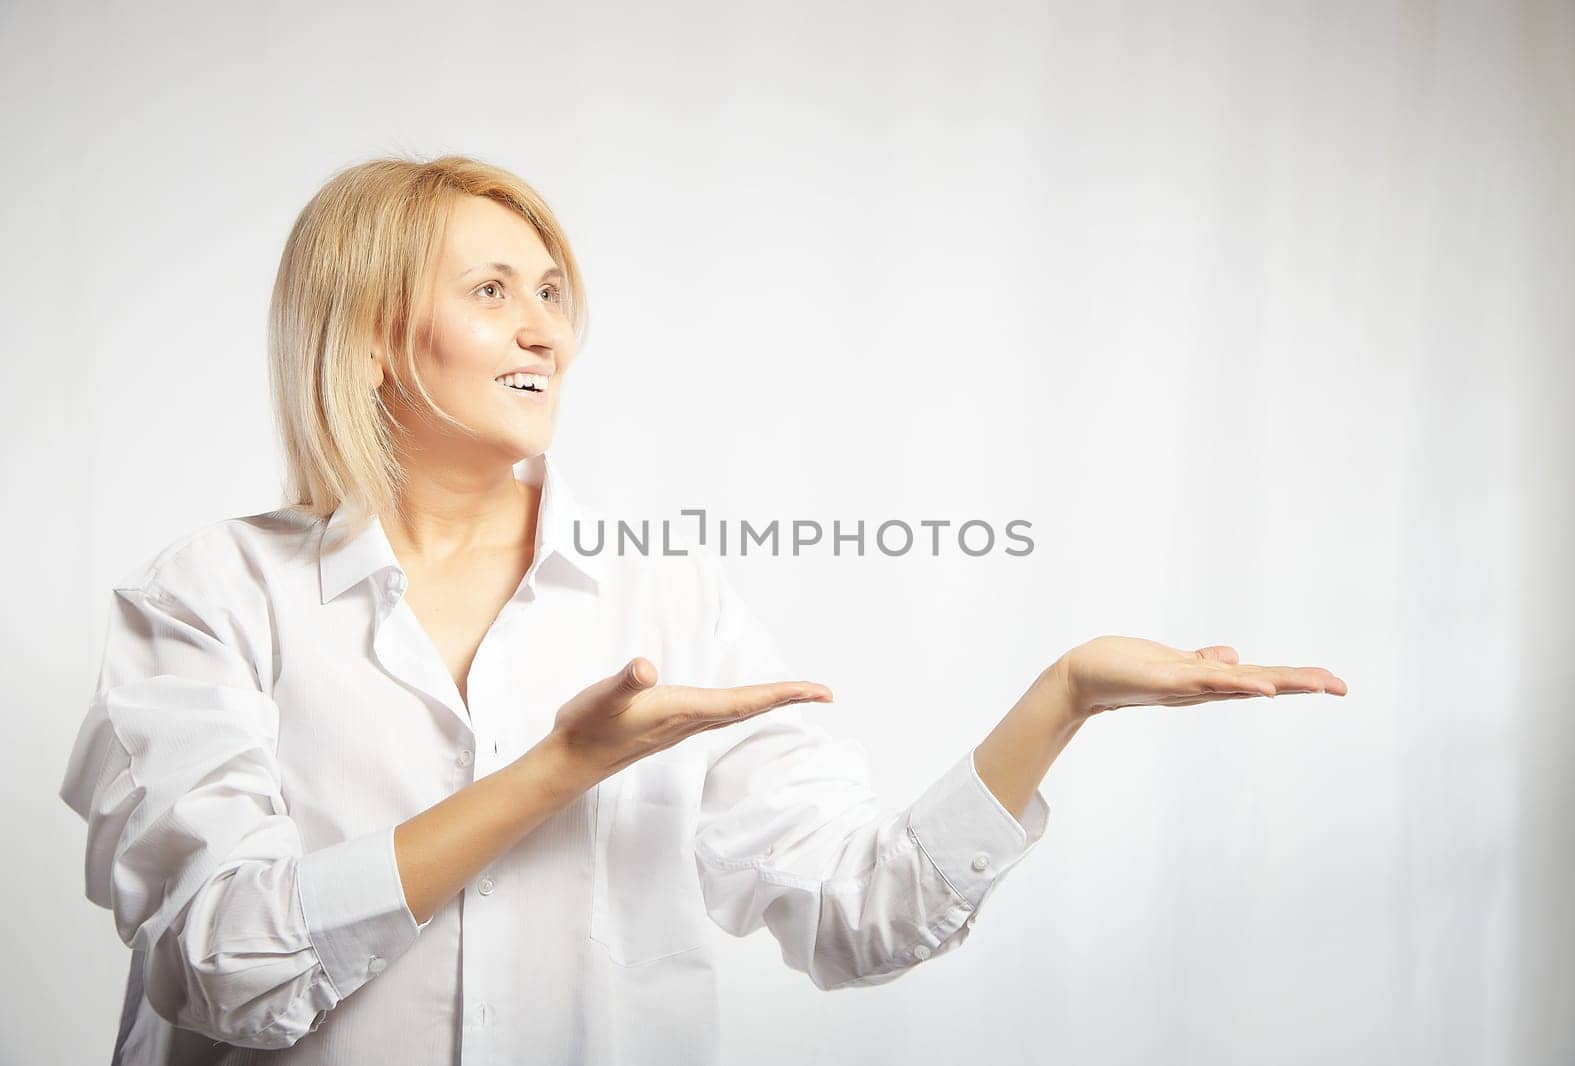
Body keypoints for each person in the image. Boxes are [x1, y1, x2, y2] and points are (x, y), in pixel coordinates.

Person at [58, 154, 1347, 1065]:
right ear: (376, 331)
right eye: (493, 289)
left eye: (553, 291)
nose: (547, 332)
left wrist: (1060, 699)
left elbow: (864, 913)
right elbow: (225, 967)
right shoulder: (213, 594)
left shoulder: (664, 597)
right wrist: (557, 771)